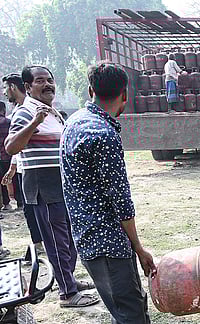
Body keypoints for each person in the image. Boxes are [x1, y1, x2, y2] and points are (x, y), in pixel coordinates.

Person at [60, 62, 156, 323]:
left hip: (87, 238)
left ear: (91, 90)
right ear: (125, 94)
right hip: (109, 245)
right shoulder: (104, 135)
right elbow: (121, 202)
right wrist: (139, 248)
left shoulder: (74, 122)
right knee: (131, 313)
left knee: (122, 306)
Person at [5, 65, 98, 308]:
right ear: (27, 87)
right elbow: (11, 147)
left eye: (50, 80)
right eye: (39, 81)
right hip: (43, 186)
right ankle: (67, 294)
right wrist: (35, 121)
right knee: (56, 241)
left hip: (62, 184)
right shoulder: (26, 112)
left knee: (68, 238)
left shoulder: (53, 112)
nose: (47, 84)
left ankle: (68, 281)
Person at [1, 73, 43, 250]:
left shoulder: (27, 109)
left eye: (5, 88)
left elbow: (23, 142)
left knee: (35, 207)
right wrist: (12, 169)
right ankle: (39, 242)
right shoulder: (19, 111)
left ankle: (42, 243)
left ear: (12, 87)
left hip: (35, 168)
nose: (4, 93)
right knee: (29, 207)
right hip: (23, 167)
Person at [0, 102, 13, 211]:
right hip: (8, 155)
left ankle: (6, 204)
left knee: (1, 181)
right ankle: (20, 202)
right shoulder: (8, 122)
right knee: (13, 179)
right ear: (3, 110)